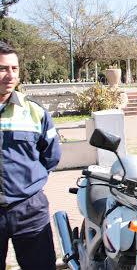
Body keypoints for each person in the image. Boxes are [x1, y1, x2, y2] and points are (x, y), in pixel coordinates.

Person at [0, 42, 61, 270]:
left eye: (14, 69)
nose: (10, 75)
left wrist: (27, 184)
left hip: (29, 209)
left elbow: (51, 156)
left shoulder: (35, 112)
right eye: (3, 68)